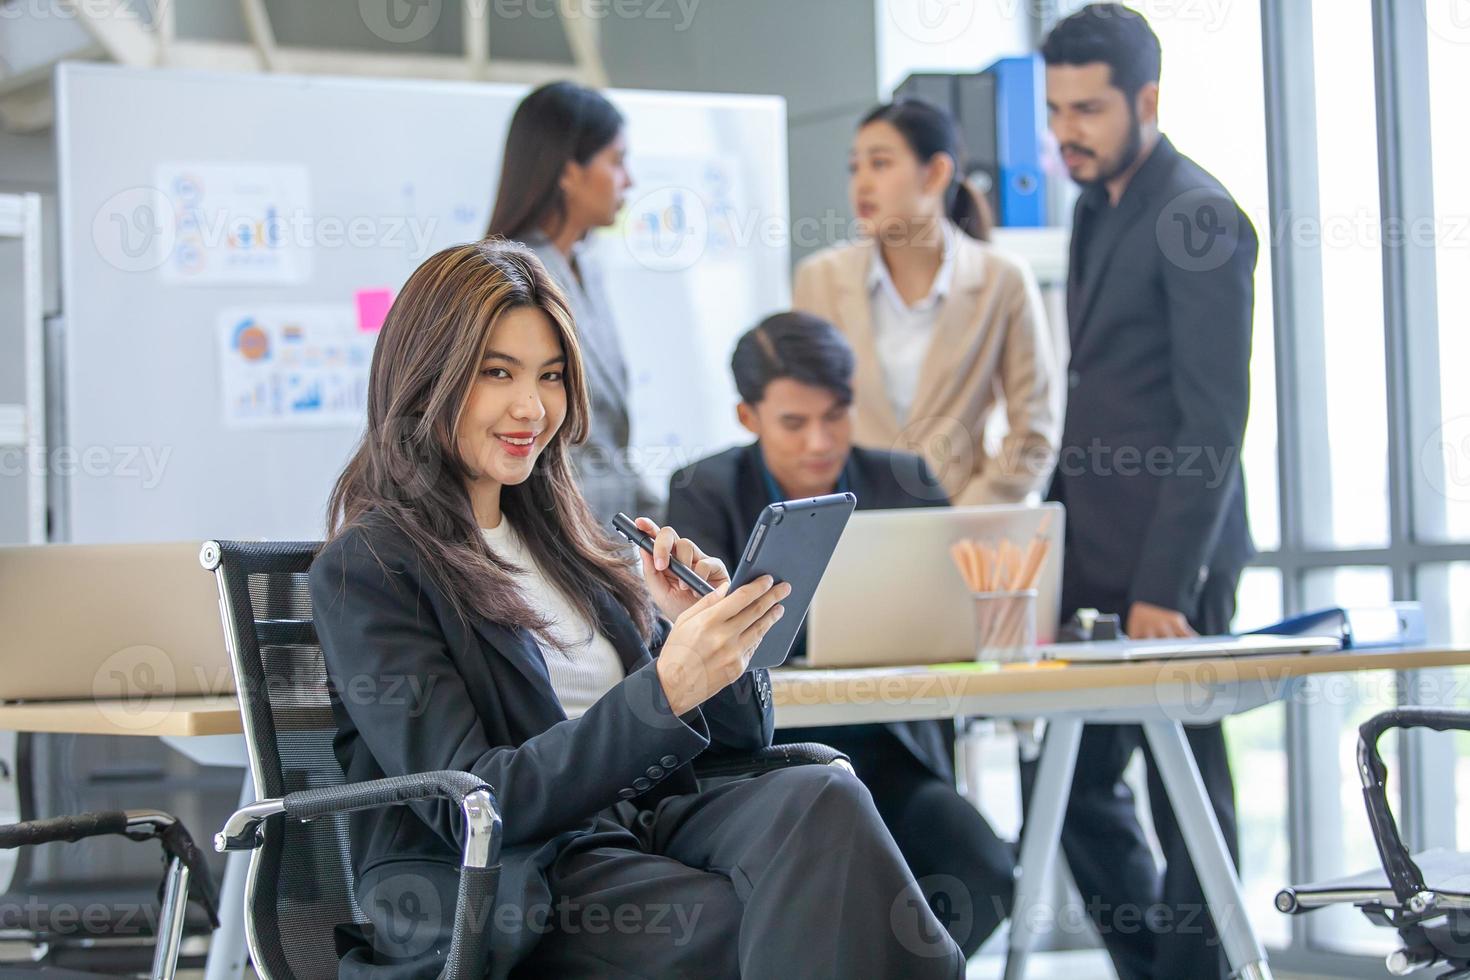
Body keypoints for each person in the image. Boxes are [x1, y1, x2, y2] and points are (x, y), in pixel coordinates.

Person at [309, 240, 966, 978]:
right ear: (429, 376)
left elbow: (739, 745)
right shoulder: (370, 567)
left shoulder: (564, 540)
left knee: (823, 796)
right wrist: (665, 689)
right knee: (756, 919)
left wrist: (705, 635)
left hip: (636, 832)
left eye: (551, 377)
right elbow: (479, 804)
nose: (533, 407)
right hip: (516, 879)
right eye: (498, 373)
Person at [666, 311, 1016, 958]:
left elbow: (949, 611)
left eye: (836, 415)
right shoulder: (703, 491)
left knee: (984, 872)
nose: (820, 442)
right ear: (749, 417)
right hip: (766, 764)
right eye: (794, 423)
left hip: (888, 750)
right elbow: (707, 641)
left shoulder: (904, 480)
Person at [1036, 6, 1258, 979]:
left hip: (1175, 565)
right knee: (1070, 784)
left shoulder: (1199, 213)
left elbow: (1213, 420)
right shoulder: (1095, 206)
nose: (1066, 131)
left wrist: (1165, 584)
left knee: (1189, 803)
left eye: (1087, 108)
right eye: (1056, 109)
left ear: (1148, 100)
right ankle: (1161, 968)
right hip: (1094, 560)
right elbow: (1092, 391)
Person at [794, 98, 1059, 506]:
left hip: (966, 521)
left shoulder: (1002, 280)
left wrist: (968, 514)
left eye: (880, 164)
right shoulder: (820, 279)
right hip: (851, 523)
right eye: (855, 167)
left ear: (935, 173)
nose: (861, 184)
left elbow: (1033, 430)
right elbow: (803, 416)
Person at [486, 80, 660, 522]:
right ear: (568, 171)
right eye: (617, 161)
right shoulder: (516, 278)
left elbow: (607, 437)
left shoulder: (586, 267)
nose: (629, 180)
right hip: (551, 527)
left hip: (608, 530)